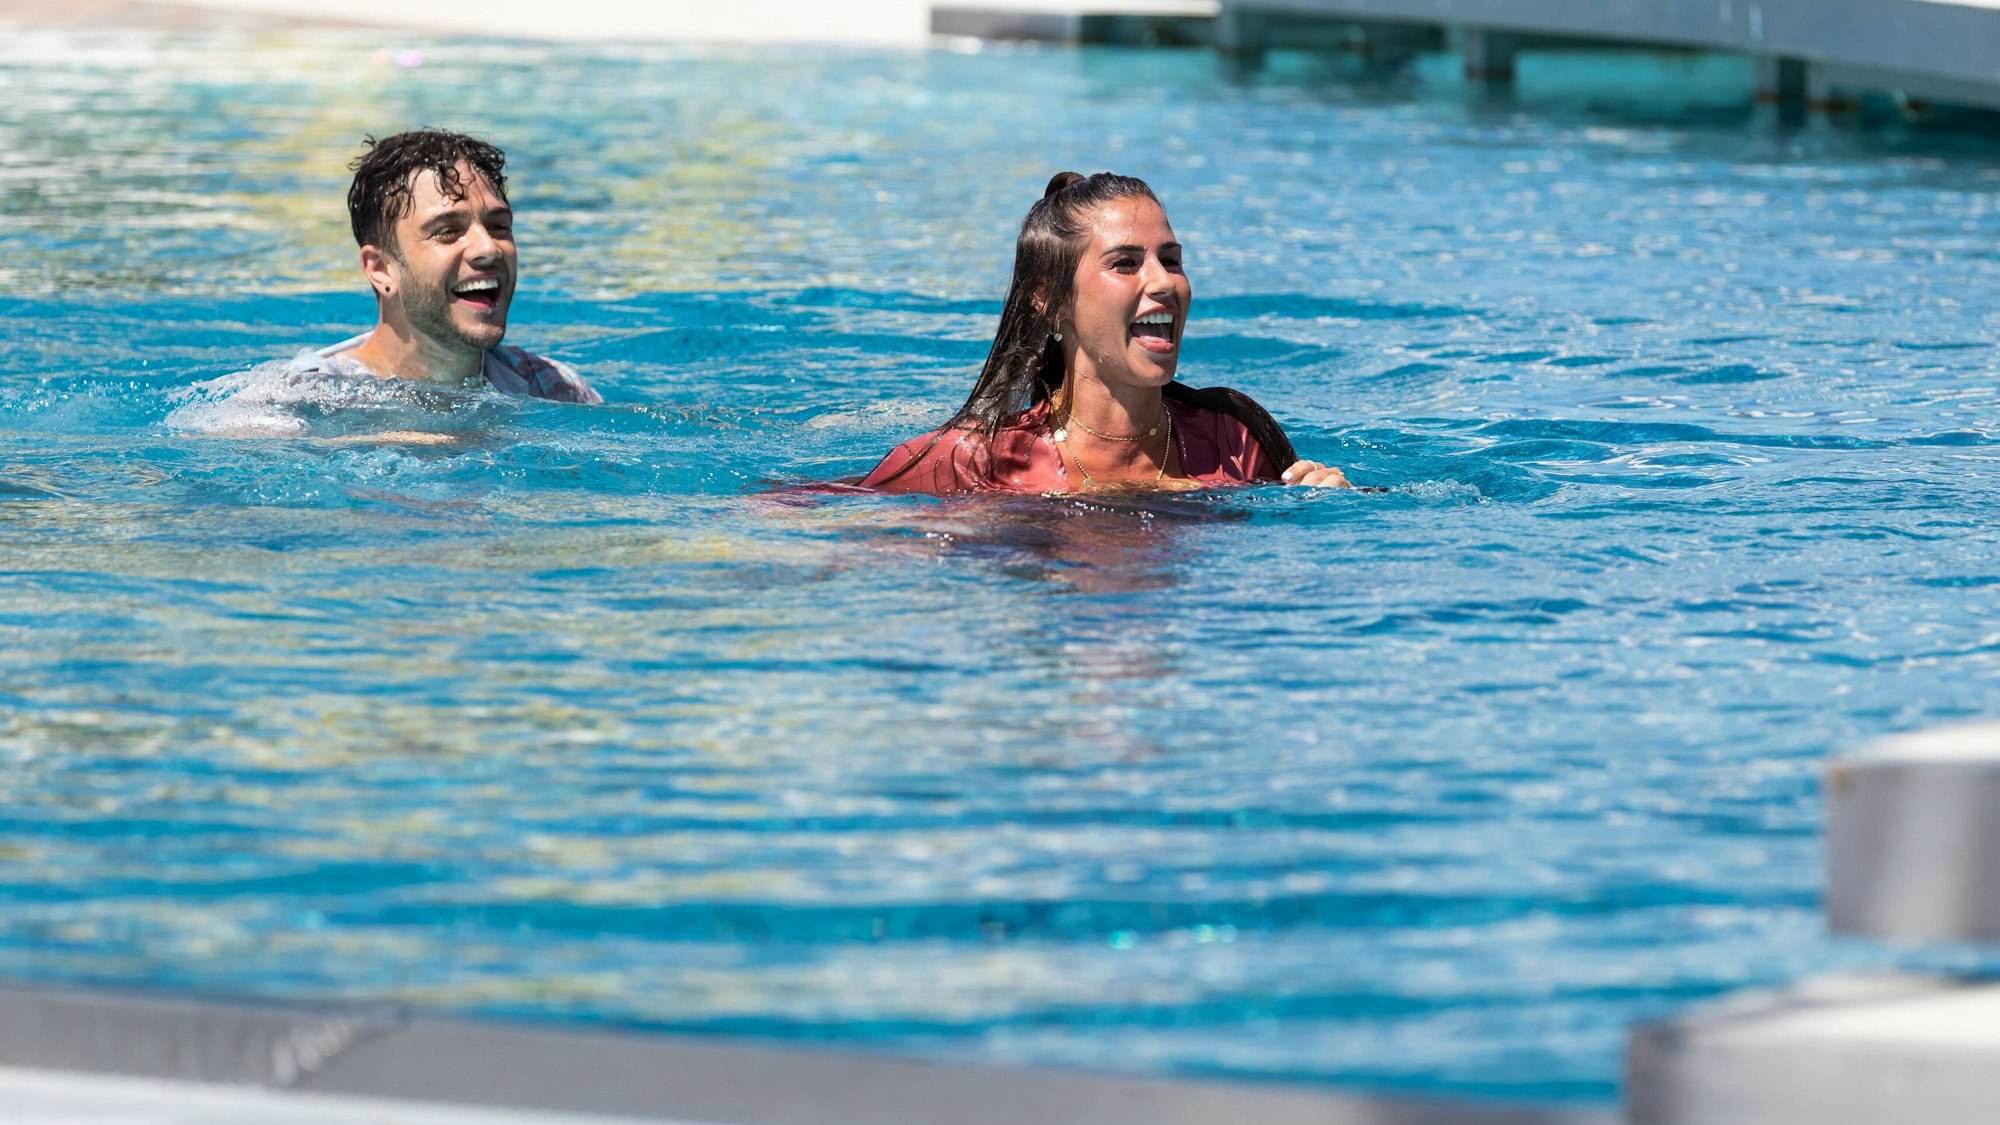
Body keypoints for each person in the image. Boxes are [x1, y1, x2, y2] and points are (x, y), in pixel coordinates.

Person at [858, 171, 1346, 495]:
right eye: (1125, 263)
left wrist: (1332, 506)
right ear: (1051, 298)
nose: (1164, 282)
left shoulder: (1234, 438)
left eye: (1171, 260)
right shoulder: (972, 462)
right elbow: (813, 523)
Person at [292, 129, 599, 404]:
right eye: (448, 231)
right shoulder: (308, 397)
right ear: (381, 269)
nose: (488, 248)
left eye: (499, 226)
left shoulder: (553, 389)